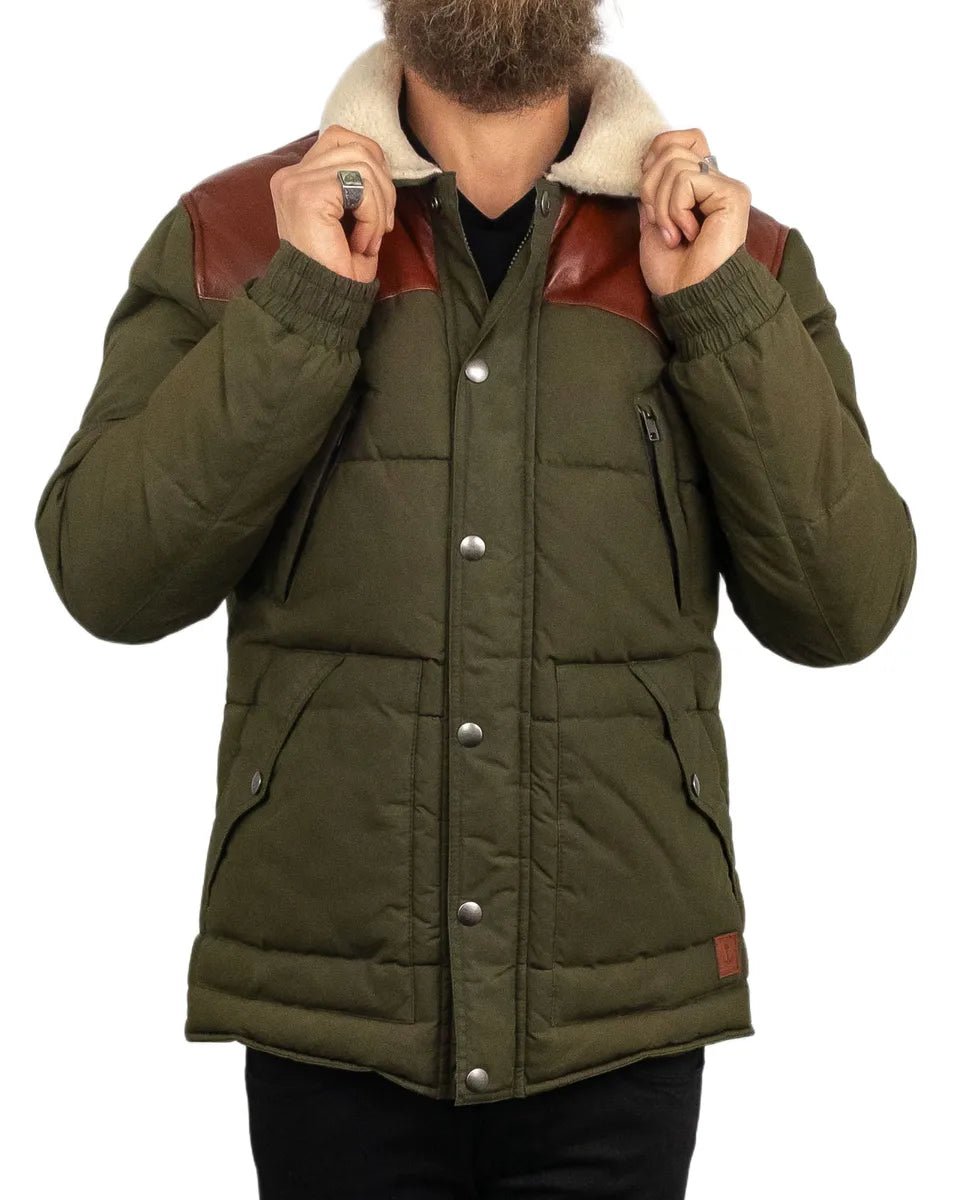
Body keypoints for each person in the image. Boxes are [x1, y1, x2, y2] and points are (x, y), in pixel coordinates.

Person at [34, 1, 917, 1196]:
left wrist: (719, 315)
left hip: (616, 1015)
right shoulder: (239, 234)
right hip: (335, 1008)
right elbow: (107, 575)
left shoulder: (738, 258)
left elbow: (845, 607)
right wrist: (300, 305)